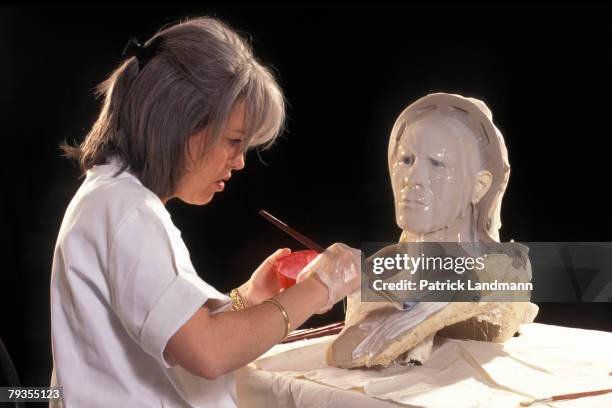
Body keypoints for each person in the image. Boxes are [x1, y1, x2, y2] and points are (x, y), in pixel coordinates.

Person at [50, 17, 361, 407]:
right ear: (177, 122)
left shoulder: (115, 200)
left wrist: (247, 298)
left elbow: (170, 330)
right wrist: (319, 289)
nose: (239, 162)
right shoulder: (125, 211)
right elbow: (208, 353)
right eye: (232, 141)